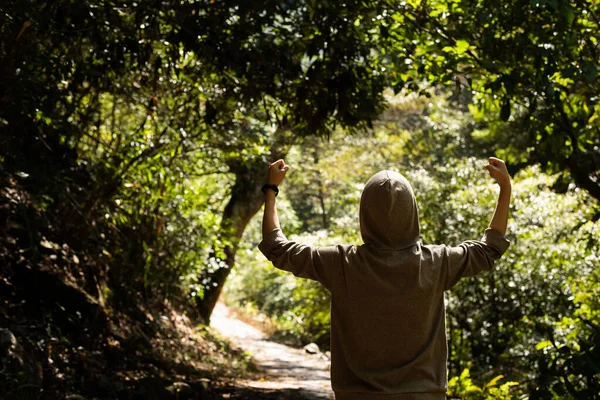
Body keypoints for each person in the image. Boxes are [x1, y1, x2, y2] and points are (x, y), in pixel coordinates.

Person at [258, 157, 512, 400]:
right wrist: (505, 188)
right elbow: (489, 249)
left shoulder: (342, 263)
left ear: (365, 214)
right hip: (424, 395)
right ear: (412, 211)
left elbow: (277, 247)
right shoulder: (437, 262)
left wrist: (271, 189)